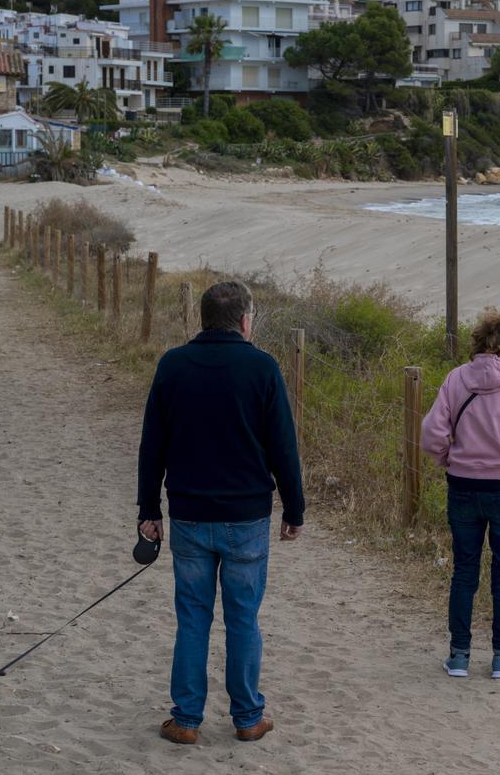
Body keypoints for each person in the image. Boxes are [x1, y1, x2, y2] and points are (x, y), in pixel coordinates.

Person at [136, 280, 304, 745]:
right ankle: (248, 717)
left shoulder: (173, 366)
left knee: (193, 617)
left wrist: (148, 510)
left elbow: (153, 446)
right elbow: (283, 448)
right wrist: (295, 508)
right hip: (247, 518)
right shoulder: (262, 368)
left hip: (189, 514)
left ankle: (186, 719)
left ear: (203, 319)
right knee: (243, 617)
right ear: (246, 320)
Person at [421, 306, 500, 679]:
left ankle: (459, 655)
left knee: (464, 569)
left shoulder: (456, 379)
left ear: (479, 340)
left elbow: (432, 435)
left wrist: (448, 459)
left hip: (462, 484)